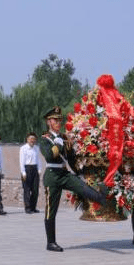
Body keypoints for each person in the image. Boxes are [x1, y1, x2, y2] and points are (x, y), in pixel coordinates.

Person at [40, 106, 107, 252]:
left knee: (81, 186)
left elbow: (71, 158)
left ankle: (101, 198)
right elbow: (50, 156)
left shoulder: (64, 138)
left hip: (64, 174)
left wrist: (79, 172)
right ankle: (50, 242)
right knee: (51, 209)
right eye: (55, 120)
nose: (58, 122)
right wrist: (57, 143)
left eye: (60, 120)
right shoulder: (45, 139)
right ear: (49, 122)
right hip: (52, 176)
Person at [19, 132, 43, 214]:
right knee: (27, 189)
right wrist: (23, 172)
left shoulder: (36, 148)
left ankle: (33, 207)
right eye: (31, 139)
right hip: (27, 169)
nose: (32, 141)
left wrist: (39, 169)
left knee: (35, 189)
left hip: (35, 169)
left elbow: (39, 159)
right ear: (27, 140)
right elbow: (21, 161)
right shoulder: (23, 148)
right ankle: (28, 208)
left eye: (34, 139)